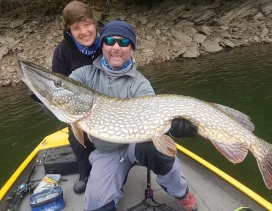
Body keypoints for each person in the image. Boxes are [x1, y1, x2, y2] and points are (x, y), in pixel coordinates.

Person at [69, 20, 199, 211]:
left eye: (123, 43)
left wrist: (176, 129)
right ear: (102, 45)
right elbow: (63, 95)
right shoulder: (83, 76)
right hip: (107, 152)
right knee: (96, 207)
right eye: (110, 41)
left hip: (136, 146)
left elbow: (156, 125)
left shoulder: (141, 85)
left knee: (159, 152)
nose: (116, 47)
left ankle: (182, 192)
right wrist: (44, 99)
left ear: (131, 48)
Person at [30, 0, 103, 194]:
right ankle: (85, 173)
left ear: (94, 23)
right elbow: (59, 89)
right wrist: (41, 95)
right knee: (74, 131)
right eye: (76, 27)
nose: (84, 31)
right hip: (80, 107)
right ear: (69, 30)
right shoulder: (62, 53)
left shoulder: (109, 41)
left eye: (87, 24)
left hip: (109, 98)